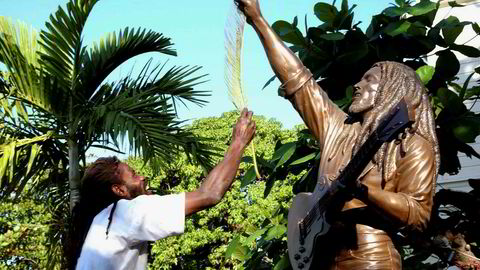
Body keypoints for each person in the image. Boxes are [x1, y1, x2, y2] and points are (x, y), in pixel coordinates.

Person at [234, 0, 440, 269]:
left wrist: (363, 191)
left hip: (371, 258)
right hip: (324, 256)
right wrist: (258, 20)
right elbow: (298, 79)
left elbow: (418, 215)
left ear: (392, 89)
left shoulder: (411, 145)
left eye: (369, 79)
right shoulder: (338, 128)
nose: (357, 84)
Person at [70, 109, 256, 270]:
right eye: (134, 175)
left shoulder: (100, 223)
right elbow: (210, 194)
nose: (143, 177)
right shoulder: (126, 212)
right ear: (119, 190)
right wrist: (239, 142)